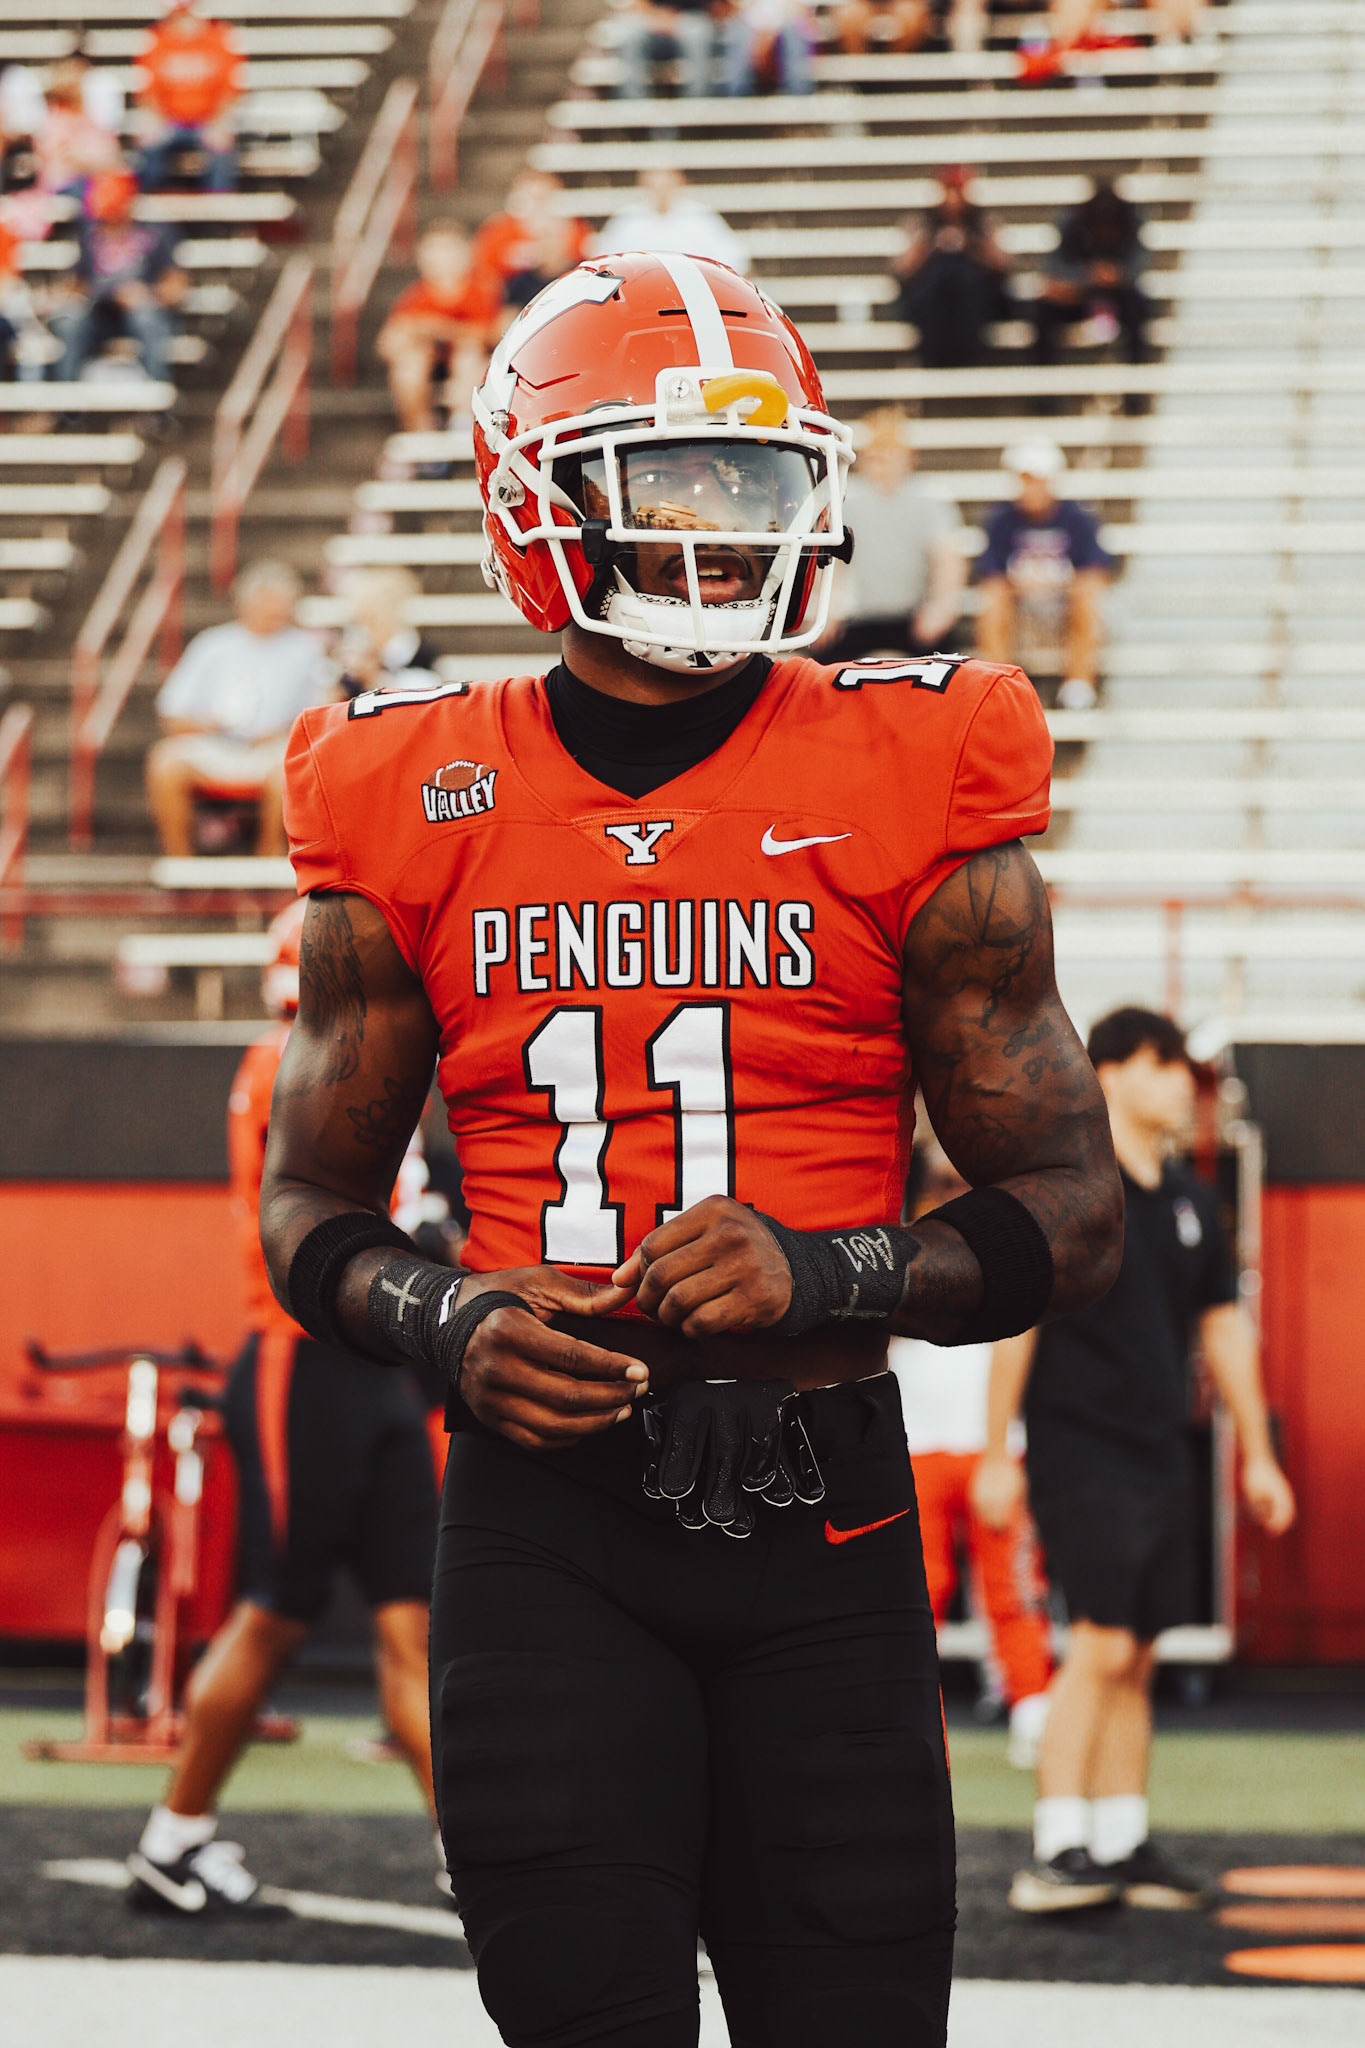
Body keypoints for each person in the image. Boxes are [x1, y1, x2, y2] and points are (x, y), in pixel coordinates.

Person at [258, 251, 1123, 2046]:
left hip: (830, 1511)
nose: (722, 532)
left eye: (752, 480)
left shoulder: (915, 759)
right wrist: (447, 1319)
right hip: (544, 1522)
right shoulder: (404, 786)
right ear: (536, 497)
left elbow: (1074, 1209)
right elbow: (308, 1209)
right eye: (672, 483)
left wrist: (829, 1269)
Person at [127, 900, 445, 1913]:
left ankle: (471, 1850)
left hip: (376, 1367)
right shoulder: (288, 1063)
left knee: (413, 1622)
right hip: (301, 1361)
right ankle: (174, 1836)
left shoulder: (343, 1056)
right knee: (274, 1612)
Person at [973, 1007, 1296, 1916]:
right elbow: (1017, 1327)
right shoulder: (1071, 1196)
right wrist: (996, 1453)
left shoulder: (1190, 1202)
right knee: (1102, 1642)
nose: (1183, 1088)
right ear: (1109, 1073)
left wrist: (1259, 1455)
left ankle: (1119, 1839)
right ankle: (1056, 1849)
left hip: (1162, 1452)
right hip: (1080, 1448)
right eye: (1165, 1067)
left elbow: (1222, 1330)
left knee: (1141, 1650)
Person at [892, 1142, 1053, 1770]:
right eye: (940, 1179)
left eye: (963, 1180)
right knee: (915, 1598)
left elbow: (1019, 1343)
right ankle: (911, 1727)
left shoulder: (1006, 1246)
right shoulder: (897, 1244)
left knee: (1013, 1589)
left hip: (987, 1445)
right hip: (913, 1445)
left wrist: (996, 1452)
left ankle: (1034, 1715)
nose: (950, 1190)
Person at [146, 560, 335, 857]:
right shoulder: (212, 644)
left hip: (276, 746)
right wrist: (213, 725)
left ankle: (269, 858)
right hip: (215, 742)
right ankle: (180, 860)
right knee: (166, 761)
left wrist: (281, 733)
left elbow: (322, 715)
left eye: (281, 602)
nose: (274, 610)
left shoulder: (306, 649)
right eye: (267, 601)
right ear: (244, 603)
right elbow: (172, 713)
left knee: (292, 767)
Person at [974, 438, 1114, 711]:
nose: (1031, 489)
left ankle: (1079, 684)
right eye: (1025, 480)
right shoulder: (1000, 519)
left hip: (1064, 602)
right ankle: (998, 685)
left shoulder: (1078, 517)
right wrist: (1023, 585)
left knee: (1087, 599)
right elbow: (991, 577)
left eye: (1036, 480)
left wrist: (1056, 586)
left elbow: (1095, 573)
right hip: (1020, 603)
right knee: (992, 603)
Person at [822, 407, 965, 663]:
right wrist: (828, 610)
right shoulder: (846, 500)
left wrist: (941, 608)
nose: (882, 465)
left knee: (949, 666)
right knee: (819, 668)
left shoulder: (931, 499)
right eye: (876, 456)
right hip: (858, 617)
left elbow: (947, 561)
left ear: (909, 458)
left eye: (890, 455)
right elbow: (833, 564)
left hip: (913, 616)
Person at [48, 167, 186, 389]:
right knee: (71, 321)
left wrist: (145, 295)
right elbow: (78, 283)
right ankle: (66, 399)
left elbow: (175, 287)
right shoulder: (90, 235)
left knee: (146, 317)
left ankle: (157, 395)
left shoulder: (157, 233)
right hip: (100, 314)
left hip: (143, 313)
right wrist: (70, 297)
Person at [376, 222, 502, 436]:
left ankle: (462, 424)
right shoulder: (416, 296)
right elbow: (388, 344)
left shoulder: (482, 290)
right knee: (409, 367)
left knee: (468, 356)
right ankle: (420, 431)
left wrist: (439, 329)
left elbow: (490, 336)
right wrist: (412, 335)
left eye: (448, 252)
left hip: (470, 363)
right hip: (431, 364)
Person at [892, 166, 1011, 369]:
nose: (952, 199)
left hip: (974, 301)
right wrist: (931, 244)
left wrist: (972, 243)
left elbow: (1002, 266)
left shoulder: (982, 221)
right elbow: (904, 269)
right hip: (933, 301)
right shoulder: (923, 222)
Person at [1031, 177, 1150, 369]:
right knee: (1043, 309)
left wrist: (1115, 275)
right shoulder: (1072, 224)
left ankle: (1137, 371)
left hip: (1118, 294)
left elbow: (1137, 266)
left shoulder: (1130, 223)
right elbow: (1055, 268)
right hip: (1079, 293)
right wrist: (1087, 276)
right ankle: (1042, 373)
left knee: (1138, 304)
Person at [136, 0, 243, 194]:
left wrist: (219, 122)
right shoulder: (157, 39)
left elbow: (230, 90)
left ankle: (218, 204)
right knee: (150, 144)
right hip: (170, 121)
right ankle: (152, 203)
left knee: (222, 147)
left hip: (208, 121)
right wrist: (156, 121)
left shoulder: (218, 38)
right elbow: (148, 93)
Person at [471, 171, 591, 317]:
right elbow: (485, 275)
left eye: (543, 197)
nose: (537, 205)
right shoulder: (497, 231)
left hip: (559, 297)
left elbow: (582, 269)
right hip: (512, 299)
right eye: (531, 198)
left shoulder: (573, 229)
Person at [595, 164, 750, 272]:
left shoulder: (701, 217)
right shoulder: (626, 220)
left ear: (679, 181)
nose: (661, 188)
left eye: (666, 181)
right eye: (655, 181)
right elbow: (603, 264)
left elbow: (735, 262)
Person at [335, 567, 442, 699]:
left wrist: (373, 676)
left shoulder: (419, 654)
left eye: (370, 618)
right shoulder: (363, 652)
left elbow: (423, 694)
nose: (363, 626)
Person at [614, 0, 753, 98]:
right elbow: (637, 4)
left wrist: (677, 20)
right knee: (631, 36)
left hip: (691, 19)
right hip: (653, 19)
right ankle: (633, 102)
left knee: (697, 32)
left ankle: (697, 100)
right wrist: (658, 18)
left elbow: (716, 6)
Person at [833, 0, 932, 56]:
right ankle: (859, 64)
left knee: (910, 13)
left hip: (899, 3)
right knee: (850, 14)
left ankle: (898, 65)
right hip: (864, 4)